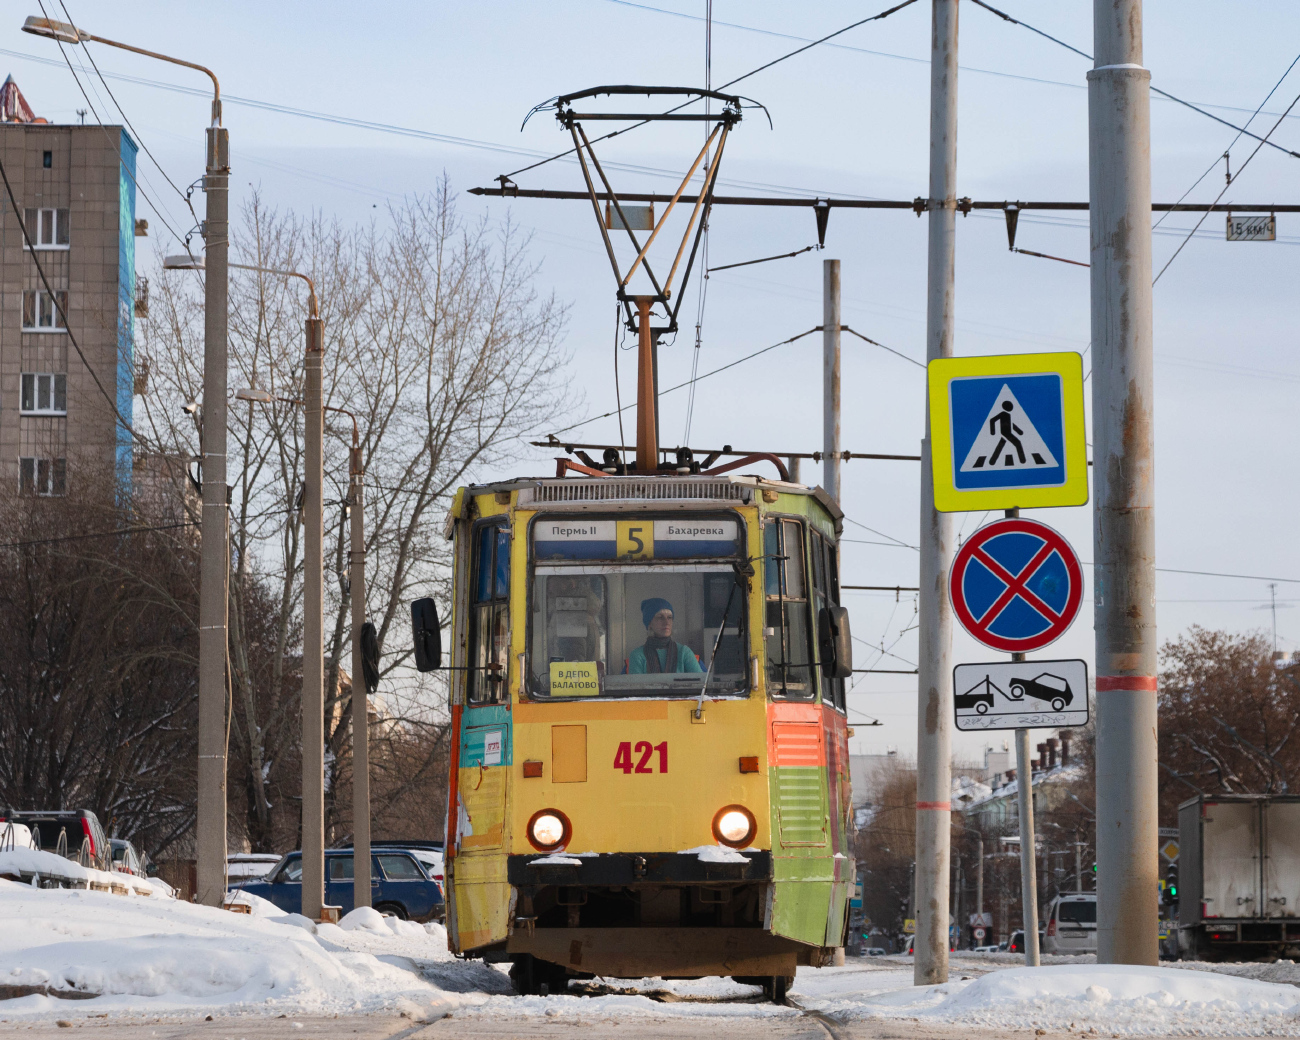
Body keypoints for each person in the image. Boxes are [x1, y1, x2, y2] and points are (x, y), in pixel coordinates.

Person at [627, 598, 702, 674]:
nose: (666, 623)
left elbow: (701, 683)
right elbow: (636, 686)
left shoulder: (684, 652)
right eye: (660, 617)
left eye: (669, 617)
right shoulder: (638, 655)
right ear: (649, 623)